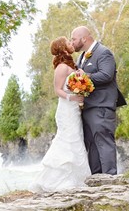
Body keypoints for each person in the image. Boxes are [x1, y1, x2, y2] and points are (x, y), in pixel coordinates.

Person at [30, 36, 91, 192]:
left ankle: (76, 178)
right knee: (68, 140)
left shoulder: (72, 64)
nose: (71, 44)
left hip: (74, 109)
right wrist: (73, 97)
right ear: (63, 49)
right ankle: (61, 181)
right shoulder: (62, 67)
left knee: (76, 139)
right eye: (68, 43)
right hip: (66, 110)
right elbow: (57, 90)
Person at [71, 26, 126, 175]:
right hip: (88, 107)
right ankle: (97, 180)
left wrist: (85, 75)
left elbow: (107, 75)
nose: (72, 42)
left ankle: (110, 179)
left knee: (104, 142)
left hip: (102, 106)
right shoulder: (81, 57)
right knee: (92, 145)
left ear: (84, 38)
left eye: (74, 39)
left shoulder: (104, 53)